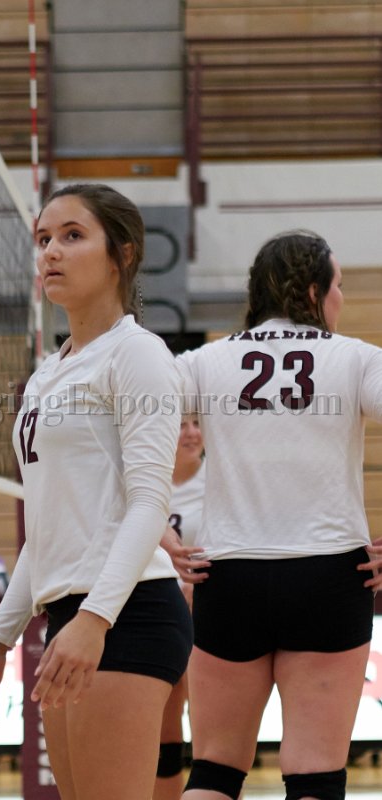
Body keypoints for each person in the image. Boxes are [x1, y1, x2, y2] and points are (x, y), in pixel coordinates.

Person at [0, 183, 193, 800]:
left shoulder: (137, 354)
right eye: (43, 239)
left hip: (126, 613)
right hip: (69, 615)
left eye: (72, 235)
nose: (50, 252)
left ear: (122, 255)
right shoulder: (46, 376)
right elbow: (45, 533)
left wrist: (95, 619)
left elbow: (150, 502)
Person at [167, 230, 382, 800]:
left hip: (228, 577)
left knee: (213, 772)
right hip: (329, 576)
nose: (341, 299)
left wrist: (157, 531)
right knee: (316, 777)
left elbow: (113, 432)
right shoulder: (357, 358)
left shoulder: (204, 361)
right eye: (338, 286)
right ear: (313, 291)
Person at [154, 416, 206, 800]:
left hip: (209, 611)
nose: (191, 432)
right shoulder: (145, 482)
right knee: (162, 724)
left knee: (209, 725)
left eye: (197, 423)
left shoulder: (220, 480)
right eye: (181, 424)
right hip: (156, 612)